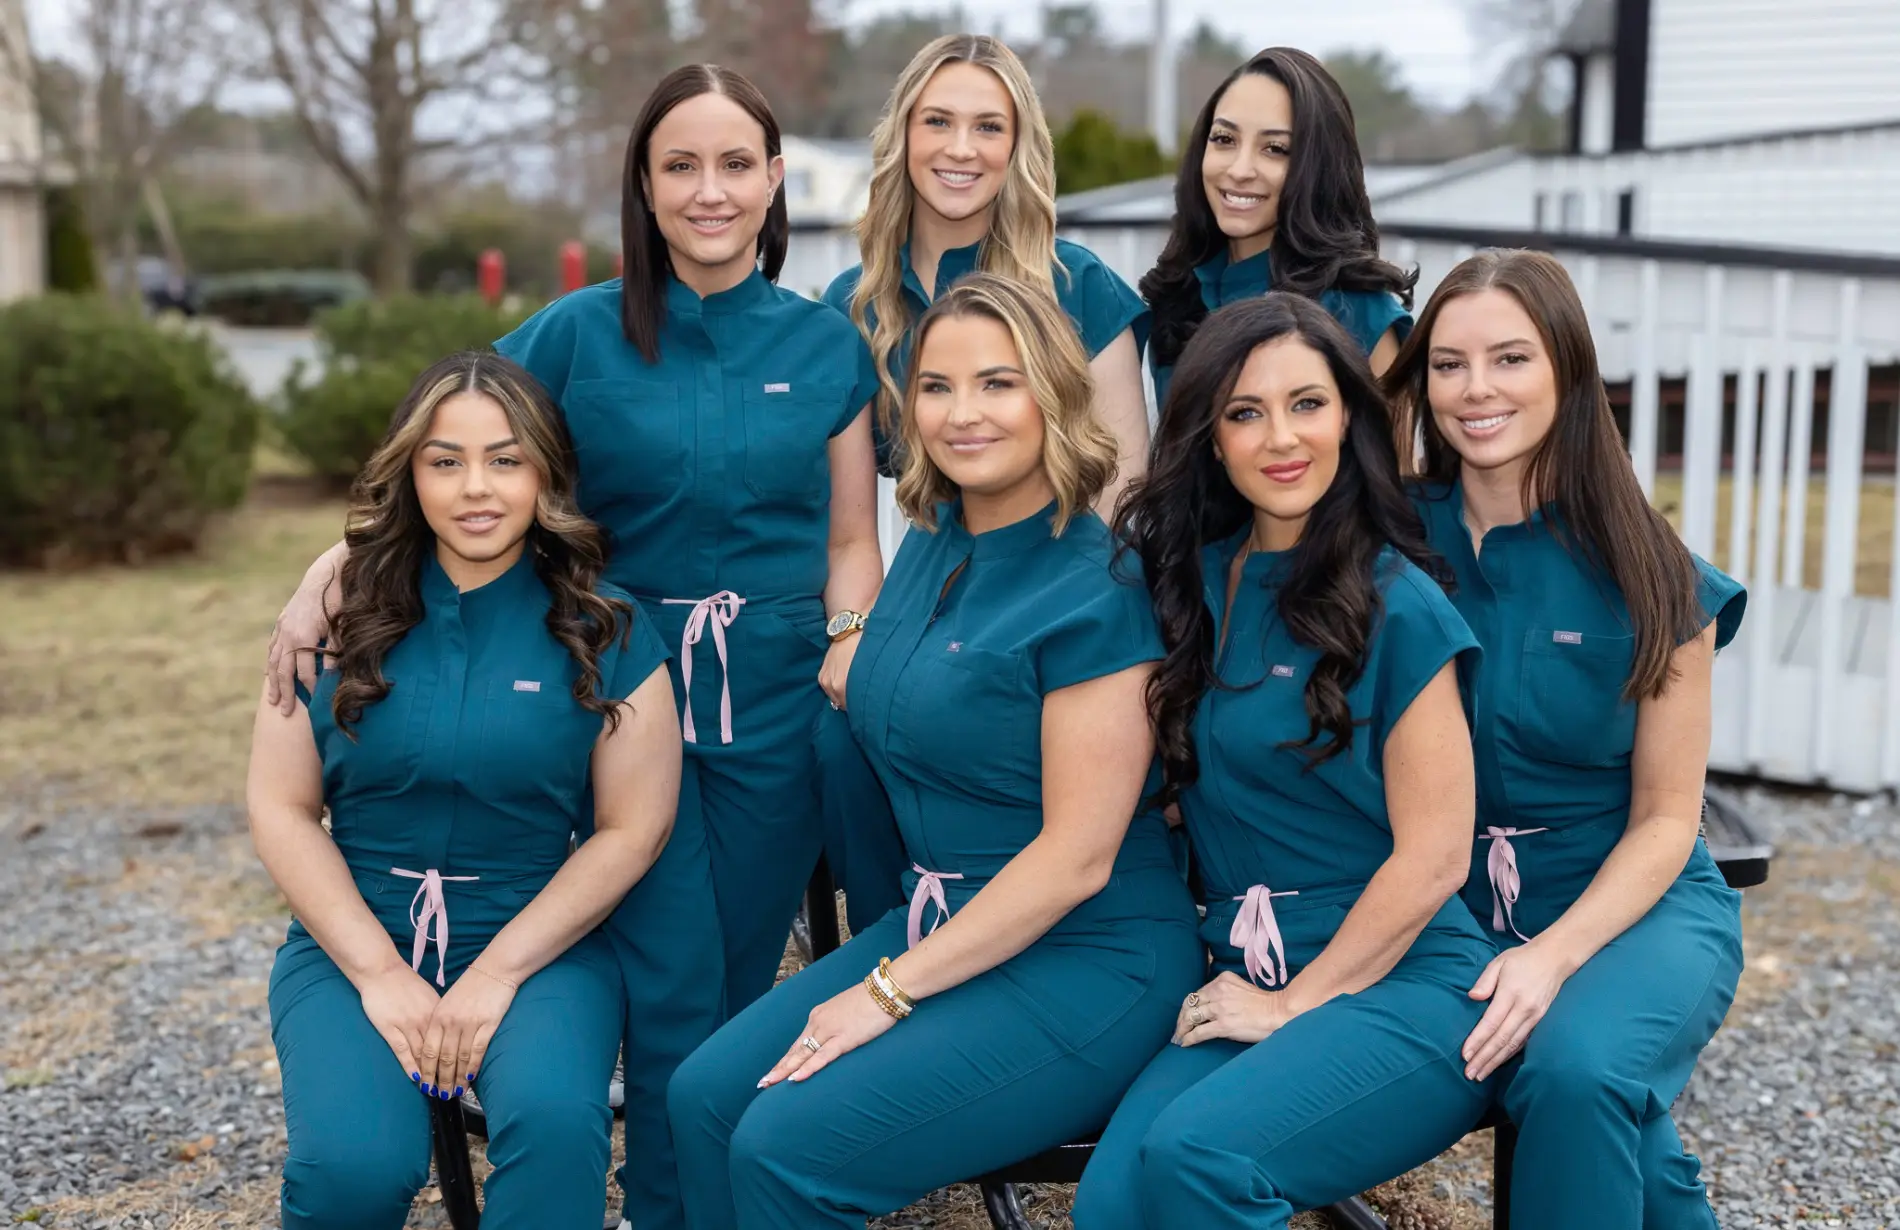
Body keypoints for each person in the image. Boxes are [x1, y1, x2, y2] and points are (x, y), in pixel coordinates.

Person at [263, 65, 883, 1230]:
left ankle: (681, 1205)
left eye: (735, 164)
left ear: (775, 178)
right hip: (606, 693)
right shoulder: (579, 331)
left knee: (723, 992)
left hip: (769, 700)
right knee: (640, 975)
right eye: (679, 167)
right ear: (642, 190)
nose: (710, 191)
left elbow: (854, 538)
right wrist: (327, 572)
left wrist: (849, 635)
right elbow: (446, 446)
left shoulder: (826, 346)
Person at [666, 273, 1201, 1229]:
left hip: (1091, 959)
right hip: (946, 921)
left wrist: (885, 992)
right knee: (703, 1099)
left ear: (1054, 395)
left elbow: (1077, 860)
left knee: (785, 1149)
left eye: (999, 384)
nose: (964, 415)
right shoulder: (931, 541)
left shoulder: (1097, 589)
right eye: (937, 387)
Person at [1069, 294, 1494, 1227]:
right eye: (1245, 412)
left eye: (1307, 403)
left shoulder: (1402, 605)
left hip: (1402, 981)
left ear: (1349, 413)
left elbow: (1435, 857)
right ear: (1210, 437)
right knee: (1112, 1204)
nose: (1280, 438)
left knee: (1197, 1157)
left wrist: (1298, 1004)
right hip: (1245, 972)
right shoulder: (1186, 584)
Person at [248, 352, 680, 1230]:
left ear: (546, 475)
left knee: (558, 1131)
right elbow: (281, 808)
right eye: (446, 461)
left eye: (506, 460)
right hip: (354, 936)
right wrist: (378, 974)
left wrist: (498, 973)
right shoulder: (331, 617)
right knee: (352, 1170)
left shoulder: (609, 627)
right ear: (410, 472)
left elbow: (632, 830)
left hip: (536, 936)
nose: (476, 488)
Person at [1383, 248, 1746, 1230]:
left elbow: (1669, 821)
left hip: (1634, 907)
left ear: (1567, 373)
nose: (1475, 389)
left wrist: (1550, 956)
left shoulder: (1654, 573)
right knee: (1622, 1134)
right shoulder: (1386, 543)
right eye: (1448, 364)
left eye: (1510, 358)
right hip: (1444, 911)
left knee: (1577, 1071)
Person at [818, 31, 1151, 940]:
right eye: (938, 122)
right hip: (912, 587)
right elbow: (846, 515)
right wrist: (855, 630)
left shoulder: (1079, 286)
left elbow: (1123, 494)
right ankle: (891, 940)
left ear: (1018, 148)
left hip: (1046, 596)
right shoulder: (852, 303)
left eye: (987, 127)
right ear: (902, 137)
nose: (960, 149)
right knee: (836, 739)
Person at [1143, 47, 1416, 410]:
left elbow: (1391, 464)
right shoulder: (1179, 297)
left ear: (1318, 167)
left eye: (1274, 149)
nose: (1240, 169)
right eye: (1224, 139)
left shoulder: (1362, 313)